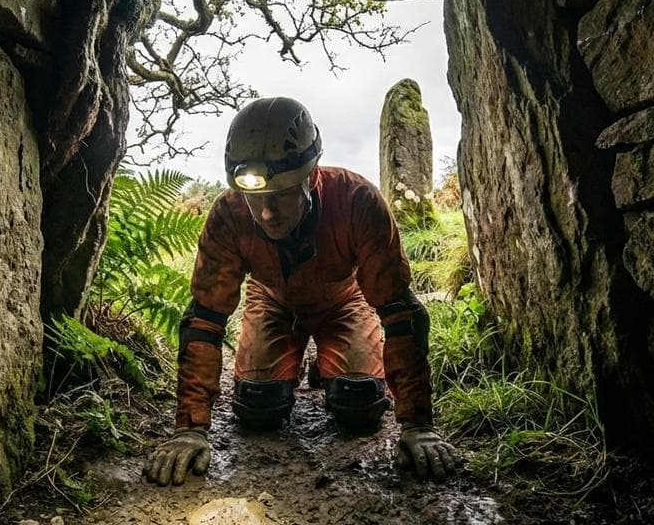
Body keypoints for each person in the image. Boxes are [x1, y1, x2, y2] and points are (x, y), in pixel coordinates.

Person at [143, 97, 458, 486]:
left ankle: (328, 367)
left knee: (359, 403)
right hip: (271, 302)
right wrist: (190, 427)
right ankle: (303, 366)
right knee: (258, 407)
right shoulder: (228, 214)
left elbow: (400, 312)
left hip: (345, 301)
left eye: (280, 195)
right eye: (255, 197)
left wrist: (416, 423)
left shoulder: (357, 200)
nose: (267, 213)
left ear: (310, 176)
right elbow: (204, 317)